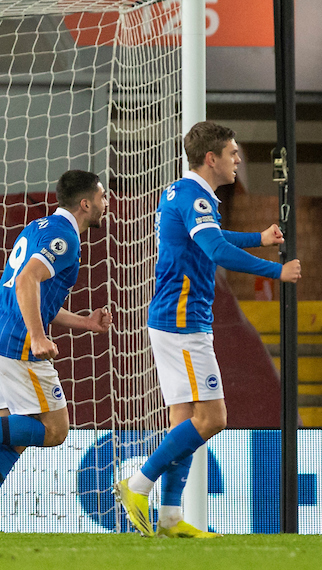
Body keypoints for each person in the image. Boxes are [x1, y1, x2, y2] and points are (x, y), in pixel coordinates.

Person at [114, 121, 301, 538]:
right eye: (233, 153)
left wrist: (259, 236)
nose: (238, 160)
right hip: (183, 323)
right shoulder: (196, 196)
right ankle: (137, 485)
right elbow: (216, 250)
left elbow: (212, 237)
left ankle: (171, 517)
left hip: (174, 319)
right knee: (213, 418)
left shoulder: (187, 194)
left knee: (185, 422)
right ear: (211, 158)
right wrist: (278, 270)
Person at [0, 170, 113, 532]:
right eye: (103, 197)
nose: (107, 204)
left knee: (13, 436)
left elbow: (36, 294)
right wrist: (39, 337)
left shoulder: (39, 227)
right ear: (86, 203)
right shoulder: (65, 239)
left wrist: (85, 322)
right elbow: (27, 280)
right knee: (55, 431)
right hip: (18, 344)